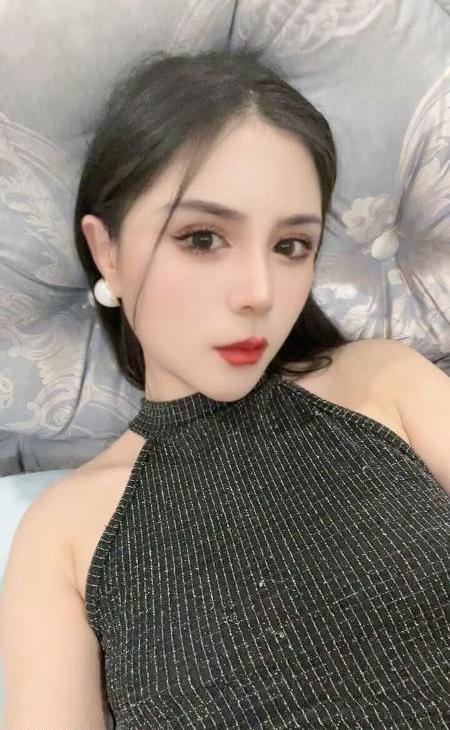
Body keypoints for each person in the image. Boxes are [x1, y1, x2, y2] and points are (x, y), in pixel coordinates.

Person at [1, 49, 448, 729]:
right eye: (203, 238)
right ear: (107, 251)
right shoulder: (62, 531)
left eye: (291, 246)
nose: (259, 294)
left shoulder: (386, 381)